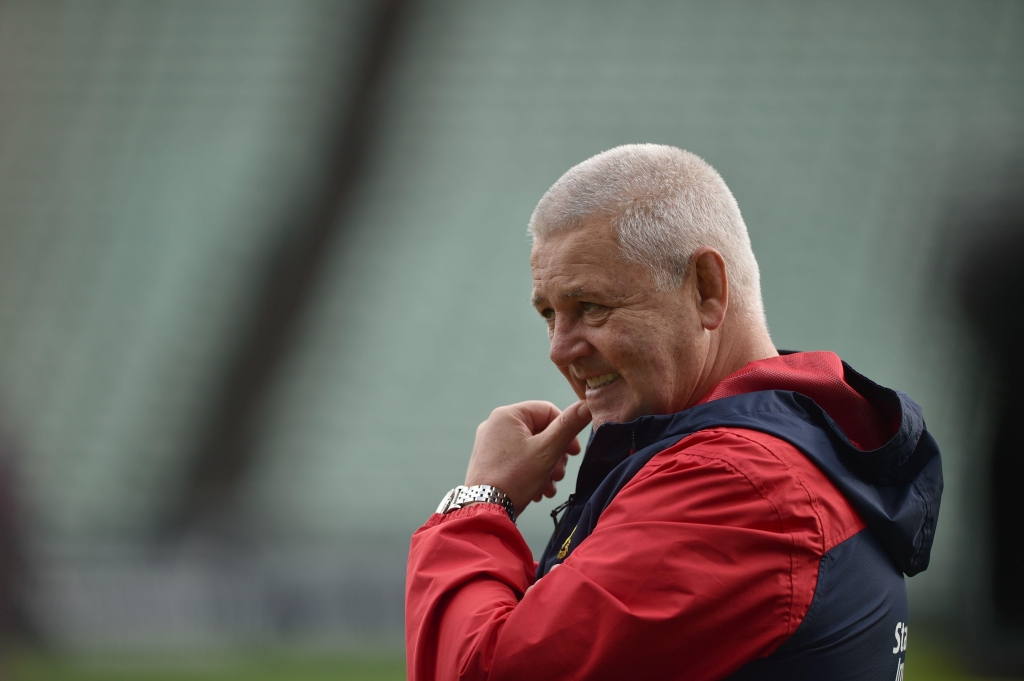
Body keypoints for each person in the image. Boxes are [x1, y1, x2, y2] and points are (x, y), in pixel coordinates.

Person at [405, 144, 943, 680]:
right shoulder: (791, 446)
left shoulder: (739, 487)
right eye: (550, 314)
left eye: (590, 306)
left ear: (707, 288)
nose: (559, 348)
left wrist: (480, 501)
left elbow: (485, 670)